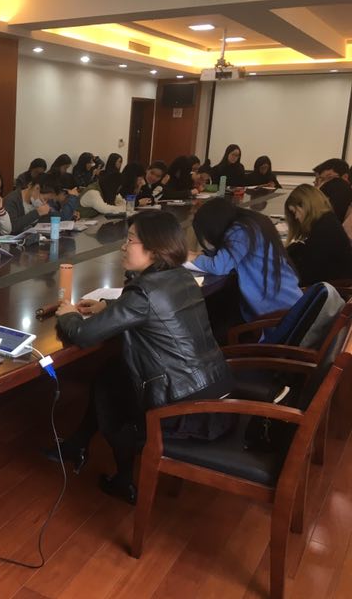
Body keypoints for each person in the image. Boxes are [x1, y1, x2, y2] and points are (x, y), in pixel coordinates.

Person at [53, 211, 234, 503]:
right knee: (111, 372)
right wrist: (108, 306)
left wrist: (69, 315)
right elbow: (150, 307)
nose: (123, 246)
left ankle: (123, 480)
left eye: (130, 240)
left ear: (154, 248)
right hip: (210, 385)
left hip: (182, 407)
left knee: (110, 390)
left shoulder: (144, 293)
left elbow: (84, 335)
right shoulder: (181, 276)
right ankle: (79, 443)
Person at [190, 197, 302, 321]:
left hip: (277, 314)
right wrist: (200, 255)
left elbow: (219, 267)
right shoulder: (253, 223)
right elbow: (230, 252)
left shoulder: (240, 231)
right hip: (289, 300)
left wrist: (192, 258)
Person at [284, 184, 352, 285]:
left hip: (332, 287)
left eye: (295, 212)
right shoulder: (327, 221)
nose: (296, 217)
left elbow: (310, 273)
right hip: (332, 283)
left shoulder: (324, 228)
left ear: (305, 205)